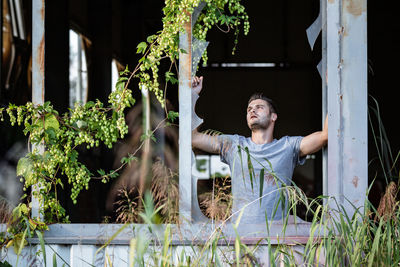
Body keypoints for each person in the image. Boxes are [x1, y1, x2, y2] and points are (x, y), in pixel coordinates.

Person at [191, 76, 328, 224]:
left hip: (278, 236)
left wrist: (331, 86)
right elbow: (193, 138)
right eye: (249, 109)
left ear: (273, 117)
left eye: (259, 107)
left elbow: (325, 136)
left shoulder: (288, 146)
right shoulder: (234, 144)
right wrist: (192, 96)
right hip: (240, 236)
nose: (252, 111)